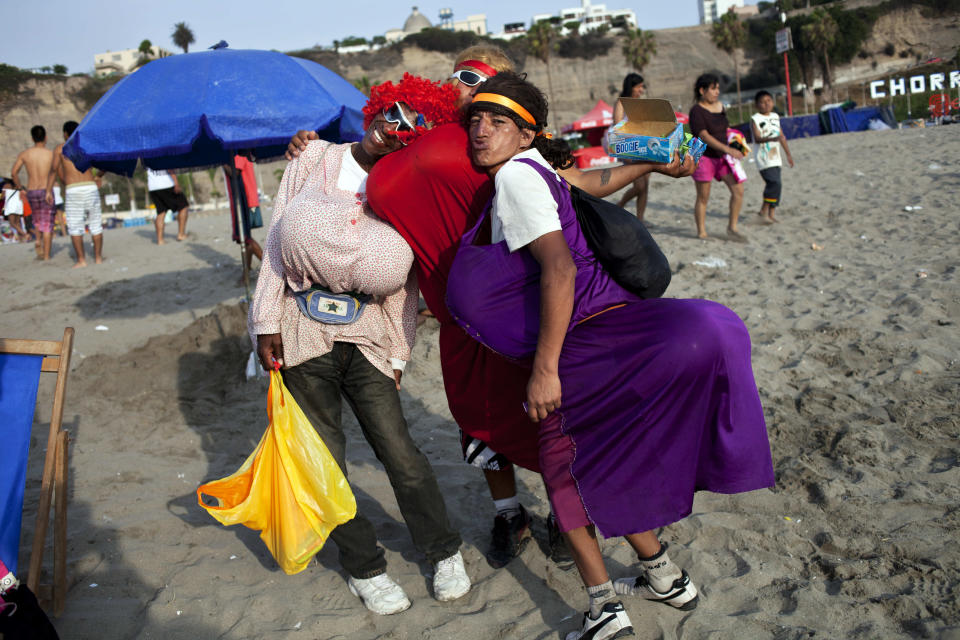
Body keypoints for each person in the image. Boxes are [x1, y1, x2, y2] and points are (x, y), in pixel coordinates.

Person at [287, 45, 696, 570]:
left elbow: (576, 185)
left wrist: (651, 165)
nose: (463, 83)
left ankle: (583, 522)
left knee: (547, 420)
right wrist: (314, 146)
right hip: (451, 311)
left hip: (510, 308)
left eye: (476, 75)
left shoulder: (500, 148)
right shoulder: (424, 131)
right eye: (456, 73)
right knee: (476, 421)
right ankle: (510, 515)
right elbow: (358, 172)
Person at [448, 72, 775, 640]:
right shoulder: (534, 171)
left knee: (562, 468)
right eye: (474, 120)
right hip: (618, 323)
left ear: (527, 135)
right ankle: (665, 576)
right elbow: (591, 181)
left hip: (585, 343)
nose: (481, 131)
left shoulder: (514, 183)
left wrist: (546, 368)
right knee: (611, 454)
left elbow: (560, 268)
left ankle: (602, 609)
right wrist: (650, 164)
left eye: (498, 122)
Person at [251, 74, 469, 616]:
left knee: (401, 453)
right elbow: (277, 241)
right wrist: (264, 323)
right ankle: (364, 567)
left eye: (410, 127)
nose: (393, 128)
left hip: (370, 333)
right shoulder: (313, 157)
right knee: (325, 460)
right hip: (301, 329)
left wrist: (399, 351)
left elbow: (412, 280)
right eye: (392, 113)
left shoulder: (408, 188)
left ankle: (442, 551)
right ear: (376, 107)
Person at [688, 73, 747, 242]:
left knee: (738, 190)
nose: (716, 92)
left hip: (723, 157)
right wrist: (727, 150)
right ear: (702, 90)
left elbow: (726, 129)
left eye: (718, 88)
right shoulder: (696, 111)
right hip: (703, 156)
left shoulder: (721, 106)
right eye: (713, 89)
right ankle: (701, 232)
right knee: (703, 196)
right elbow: (704, 135)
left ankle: (732, 227)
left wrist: (738, 145)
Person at [51, 121, 105, 267]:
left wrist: (49, 189)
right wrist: (98, 176)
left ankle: (82, 260)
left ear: (65, 134)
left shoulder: (60, 149)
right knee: (96, 224)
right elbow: (105, 162)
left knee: (75, 226)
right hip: (90, 186)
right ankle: (98, 258)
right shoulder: (86, 146)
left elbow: (53, 171)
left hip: (73, 189)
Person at [10, 125, 55, 260]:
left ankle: (37, 240)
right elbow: (55, 173)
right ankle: (46, 256)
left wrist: (20, 188)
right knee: (47, 224)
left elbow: (13, 173)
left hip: (31, 190)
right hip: (45, 190)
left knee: (37, 219)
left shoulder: (25, 154)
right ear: (45, 137)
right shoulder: (50, 154)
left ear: (32, 138)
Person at [751, 90, 794, 224]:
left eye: (768, 101)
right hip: (763, 157)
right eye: (762, 102)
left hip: (775, 157)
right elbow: (757, 138)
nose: (766, 104)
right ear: (757, 105)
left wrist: (788, 154)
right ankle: (763, 210)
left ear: (773, 102)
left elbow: (781, 136)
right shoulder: (755, 119)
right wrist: (772, 138)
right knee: (774, 183)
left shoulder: (775, 116)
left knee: (777, 185)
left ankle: (771, 213)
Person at [612, 73, 651, 222]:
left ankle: (640, 219)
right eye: (639, 86)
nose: (641, 90)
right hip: (628, 147)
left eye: (642, 86)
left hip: (644, 146)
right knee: (640, 185)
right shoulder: (622, 102)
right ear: (631, 87)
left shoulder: (640, 103)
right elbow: (617, 125)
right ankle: (620, 205)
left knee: (645, 185)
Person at [223, 154, 263, 275]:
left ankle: (270, 268)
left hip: (246, 200)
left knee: (245, 238)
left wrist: (222, 162)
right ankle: (246, 271)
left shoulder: (238, 152)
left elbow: (234, 172)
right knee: (244, 239)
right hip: (243, 200)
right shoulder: (237, 151)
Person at [147, 168, 189, 244]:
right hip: (167, 184)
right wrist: (176, 183)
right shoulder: (161, 155)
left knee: (161, 212)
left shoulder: (145, 156)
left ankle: (160, 240)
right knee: (183, 206)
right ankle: (181, 234)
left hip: (153, 187)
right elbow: (169, 168)